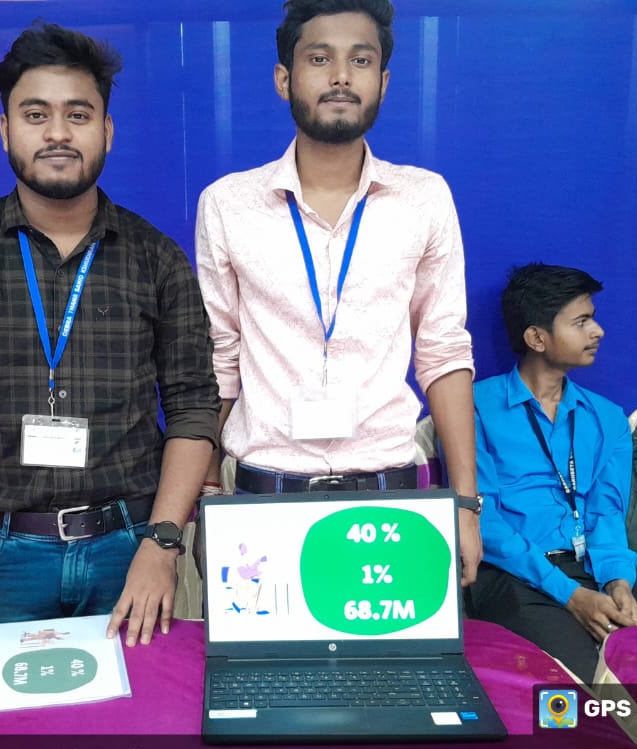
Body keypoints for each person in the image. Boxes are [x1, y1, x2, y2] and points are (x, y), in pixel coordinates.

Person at [0, 22, 220, 667]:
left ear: (107, 130)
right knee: (4, 725)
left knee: (145, 721)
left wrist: (162, 545)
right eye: (36, 115)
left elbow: (192, 408)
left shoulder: (156, 259)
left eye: (79, 114)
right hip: (0, 560)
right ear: (6, 129)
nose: (58, 133)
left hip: (131, 552)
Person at [194, 0, 483, 585]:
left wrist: (465, 504)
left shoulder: (424, 198)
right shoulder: (227, 204)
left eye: (361, 60)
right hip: (262, 498)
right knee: (262, 649)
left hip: (391, 500)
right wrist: (200, 491)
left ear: (384, 82)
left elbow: (444, 353)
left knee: (391, 651)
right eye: (320, 59)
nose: (342, 76)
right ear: (284, 79)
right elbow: (220, 359)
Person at [466, 263, 637, 682]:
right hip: (513, 575)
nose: (598, 331)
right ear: (536, 337)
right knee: (584, 679)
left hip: (591, 570)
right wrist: (570, 596)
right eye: (581, 322)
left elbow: (606, 513)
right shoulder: (473, 407)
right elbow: (482, 522)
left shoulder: (607, 418)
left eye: (593, 319)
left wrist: (618, 582)